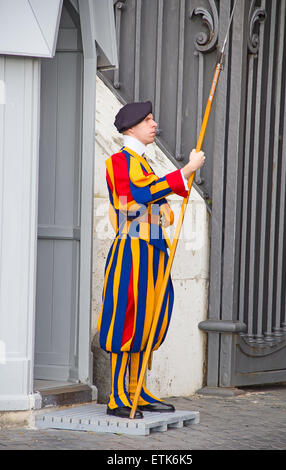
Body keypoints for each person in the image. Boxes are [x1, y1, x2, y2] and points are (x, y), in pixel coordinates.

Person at [97, 101, 205, 419]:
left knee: (151, 320)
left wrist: (172, 186)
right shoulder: (118, 161)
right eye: (147, 120)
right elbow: (136, 198)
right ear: (131, 128)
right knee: (126, 319)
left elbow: (160, 209)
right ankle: (118, 396)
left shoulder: (145, 164)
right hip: (132, 252)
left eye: (153, 119)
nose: (154, 124)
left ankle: (136, 390)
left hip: (154, 253)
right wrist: (183, 172)